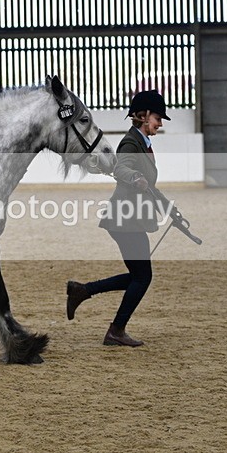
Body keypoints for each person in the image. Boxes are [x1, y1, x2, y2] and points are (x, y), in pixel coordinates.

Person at [66, 89, 174, 347]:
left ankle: (83, 290)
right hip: (125, 219)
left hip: (131, 219)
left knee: (139, 275)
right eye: (157, 118)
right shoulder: (131, 143)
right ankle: (115, 330)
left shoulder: (144, 144)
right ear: (143, 115)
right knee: (142, 276)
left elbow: (149, 184)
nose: (159, 124)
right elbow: (121, 167)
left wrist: (169, 208)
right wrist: (134, 177)